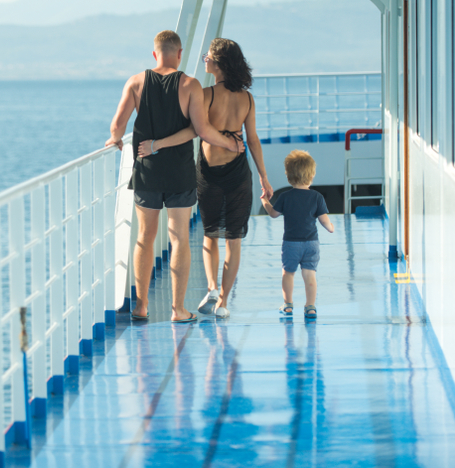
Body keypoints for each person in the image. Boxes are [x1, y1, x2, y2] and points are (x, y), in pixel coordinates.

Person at [106, 30, 244, 323]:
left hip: (147, 170)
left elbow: (117, 125)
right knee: (179, 238)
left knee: (144, 236)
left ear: (155, 53)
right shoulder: (190, 85)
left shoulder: (136, 82)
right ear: (179, 53)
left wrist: (115, 140)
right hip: (180, 173)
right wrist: (231, 143)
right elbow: (203, 131)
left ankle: (141, 306)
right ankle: (178, 310)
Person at [137, 38, 273, 319]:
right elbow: (254, 141)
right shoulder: (247, 98)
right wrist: (264, 177)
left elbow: (193, 131)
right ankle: (222, 301)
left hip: (209, 173)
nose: (205, 60)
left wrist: (156, 144)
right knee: (233, 240)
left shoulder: (207, 94)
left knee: (210, 235)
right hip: (239, 172)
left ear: (219, 62)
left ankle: (212, 287)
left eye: (208, 57)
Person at [261, 150, 334, 319]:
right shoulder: (317, 197)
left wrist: (264, 200)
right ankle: (310, 307)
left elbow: (273, 214)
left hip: (291, 244)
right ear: (312, 174)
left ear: (288, 176)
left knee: (288, 273)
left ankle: (287, 305)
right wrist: (331, 227)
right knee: (310, 275)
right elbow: (324, 221)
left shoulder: (285, 196)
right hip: (311, 244)